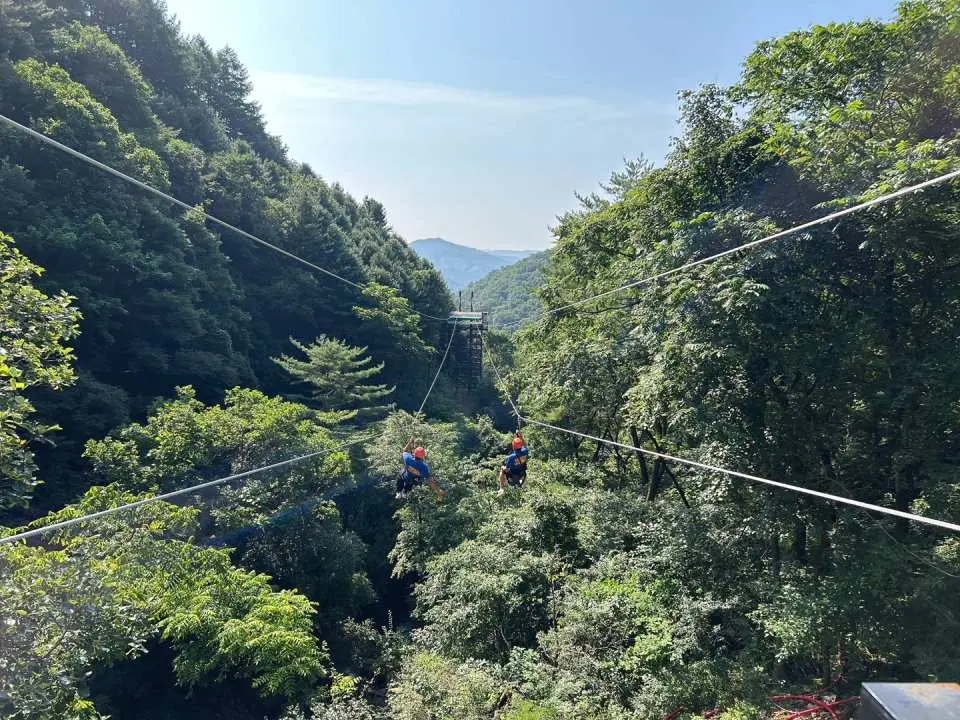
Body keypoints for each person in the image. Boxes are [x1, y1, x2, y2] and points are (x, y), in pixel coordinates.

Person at [396, 436, 445, 500]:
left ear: (414, 454)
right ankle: (405, 493)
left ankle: (399, 493)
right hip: (412, 481)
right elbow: (430, 481)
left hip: (404, 477)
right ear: (423, 456)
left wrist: (410, 441)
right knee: (412, 482)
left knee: (401, 476)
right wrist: (438, 491)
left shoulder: (408, 458)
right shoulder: (424, 467)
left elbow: (404, 450)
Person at [497, 431, 528, 497]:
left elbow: (507, 469)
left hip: (513, 475)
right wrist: (521, 437)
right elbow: (525, 445)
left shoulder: (512, 457)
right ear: (521, 445)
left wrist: (504, 468)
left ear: (513, 446)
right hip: (522, 473)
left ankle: (501, 488)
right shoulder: (525, 451)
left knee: (502, 468)